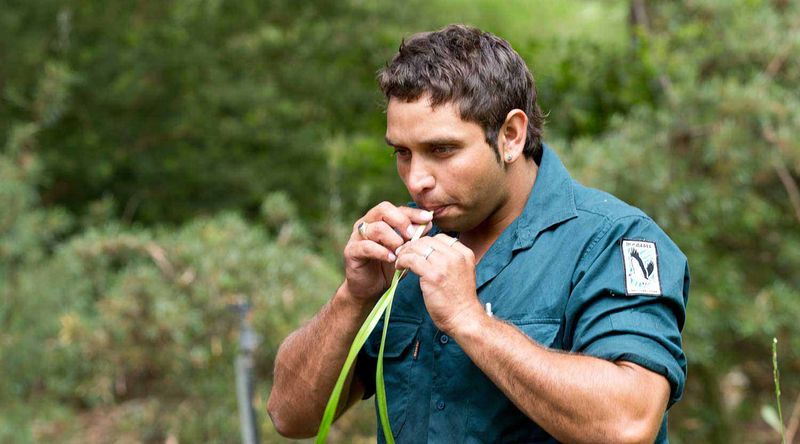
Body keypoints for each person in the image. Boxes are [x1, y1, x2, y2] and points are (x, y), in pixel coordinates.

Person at [267, 24, 689, 443]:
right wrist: (353, 297)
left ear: (510, 136)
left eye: (442, 150)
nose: (416, 181)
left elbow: (628, 425)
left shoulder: (614, 241)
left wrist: (469, 320)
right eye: (402, 153)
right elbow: (291, 416)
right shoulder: (407, 243)